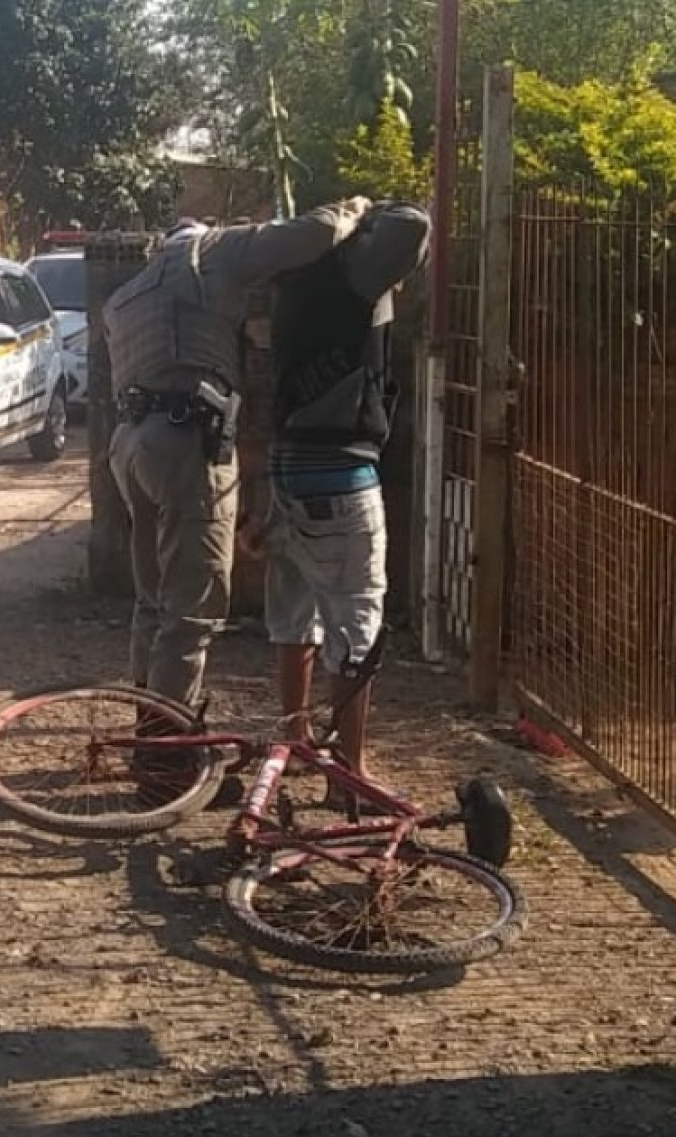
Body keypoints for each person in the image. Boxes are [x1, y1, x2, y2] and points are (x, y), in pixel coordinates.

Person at [103, 200, 371, 802]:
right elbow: (308, 235)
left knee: (153, 604)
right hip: (186, 447)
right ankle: (168, 770)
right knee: (193, 615)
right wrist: (353, 209)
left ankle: (153, 743)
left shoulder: (125, 296)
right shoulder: (210, 253)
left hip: (130, 446)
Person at [246, 201, 431, 796]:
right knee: (356, 623)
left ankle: (295, 741)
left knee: (292, 618)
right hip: (341, 477)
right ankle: (348, 772)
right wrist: (364, 212)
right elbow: (414, 225)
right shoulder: (350, 274)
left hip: (287, 473)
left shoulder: (291, 283)